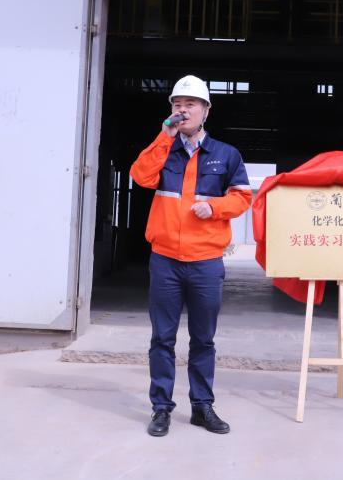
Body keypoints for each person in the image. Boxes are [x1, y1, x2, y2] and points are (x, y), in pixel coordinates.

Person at [129, 75, 252, 437]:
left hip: (205, 262)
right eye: (177, 104)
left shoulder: (226, 154)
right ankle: (161, 409)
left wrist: (213, 208)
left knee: (203, 340)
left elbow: (242, 197)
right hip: (165, 259)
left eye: (190, 104)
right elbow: (141, 177)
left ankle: (202, 407)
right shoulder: (163, 148)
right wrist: (163, 136)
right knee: (162, 339)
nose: (182, 110)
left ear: (206, 111)